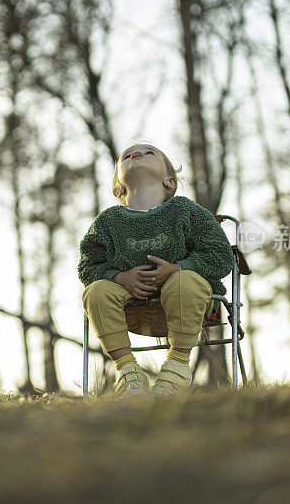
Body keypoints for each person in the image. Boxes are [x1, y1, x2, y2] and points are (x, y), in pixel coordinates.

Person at [78, 142, 233, 395]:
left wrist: (178, 268)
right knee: (95, 291)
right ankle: (128, 372)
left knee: (185, 281)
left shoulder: (185, 211)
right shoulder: (108, 222)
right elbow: (88, 266)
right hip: (130, 310)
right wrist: (119, 277)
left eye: (149, 152)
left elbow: (220, 254)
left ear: (169, 181)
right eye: (126, 155)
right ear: (118, 186)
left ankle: (178, 366)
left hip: (190, 306)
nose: (136, 153)